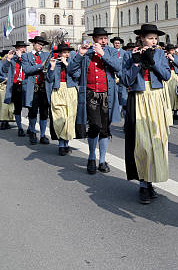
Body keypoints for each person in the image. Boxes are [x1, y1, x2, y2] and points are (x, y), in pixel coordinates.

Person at [122, 24, 173, 204]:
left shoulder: (159, 54)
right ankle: (143, 184)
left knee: (156, 142)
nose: (154, 41)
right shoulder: (130, 54)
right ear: (142, 38)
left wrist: (153, 62)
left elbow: (166, 76)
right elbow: (126, 80)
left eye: (155, 38)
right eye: (150, 38)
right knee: (142, 143)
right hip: (139, 98)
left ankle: (150, 181)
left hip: (156, 97)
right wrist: (136, 63)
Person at [67, 27, 122, 174]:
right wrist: (80, 54)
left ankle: (102, 160)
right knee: (94, 127)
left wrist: (103, 54)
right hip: (90, 95)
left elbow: (118, 67)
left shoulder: (110, 52)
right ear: (94, 40)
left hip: (107, 95)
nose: (103, 41)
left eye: (105, 38)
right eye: (100, 38)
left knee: (105, 129)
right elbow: (72, 71)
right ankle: (92, 157)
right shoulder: (87, 54)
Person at [46, 43, 79, 156]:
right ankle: (61, 144)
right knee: (60, 118)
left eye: (68, 52)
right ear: (59, 54)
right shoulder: (54, 63)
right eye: (64, 52)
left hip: (70, 91)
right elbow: (49, 79)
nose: (67, 54)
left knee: (69, 118)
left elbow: (77, 75)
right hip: (58, 90)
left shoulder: (72, 63)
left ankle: (66, 143)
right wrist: (52, 67)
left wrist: (67, 64)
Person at [21, 36, 51, 145]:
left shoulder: (46, 55)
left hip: (44, 88)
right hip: (33, 88)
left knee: (44, 112)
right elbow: (27, 70)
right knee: (33, 111)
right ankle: (33, 132)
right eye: (38, 44)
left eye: (42, 45)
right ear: (33, 44)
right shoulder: (26, 56)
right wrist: (40, 66)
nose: (40, 47)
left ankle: (43, 135)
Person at [3, 42, 28, 136]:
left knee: (30, 106)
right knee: (18, 107)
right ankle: (20, 127)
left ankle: (31, 128)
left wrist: (21, 57)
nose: (23, 49)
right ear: (16, 49)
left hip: (26, 85)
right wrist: (8, 59)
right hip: (16, 85)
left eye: (24, 47)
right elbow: (4, 70)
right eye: (21, 47)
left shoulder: (28, 57)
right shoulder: (13, 59)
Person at [0, 50, 13, 129]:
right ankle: (3, 122)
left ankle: (8, 120)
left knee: (10, 105)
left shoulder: (12, 62)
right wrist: (4, 78)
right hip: (2, 86)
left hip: (11, 86)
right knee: (2, 105)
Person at [165, 44, 178, 120]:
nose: (173, 51)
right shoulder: (164, 57)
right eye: (171, 50)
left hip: (175, 75)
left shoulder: (177, 57)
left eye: (173, 50)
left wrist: (173, 59)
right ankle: (168, 112)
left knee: (176, 94)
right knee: (169, 95)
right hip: (168, 75)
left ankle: (175, 112)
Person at [110, 37, 128, 112]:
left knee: (122, 94)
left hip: (121, 76)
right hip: (112, 75)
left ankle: (122, 110)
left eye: (118, 43)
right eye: (115, 43)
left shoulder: (124, 53)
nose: (117, 44)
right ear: (113, 44)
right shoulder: (110, 51)